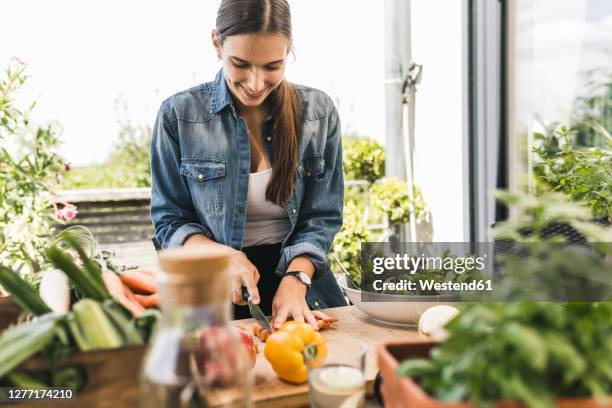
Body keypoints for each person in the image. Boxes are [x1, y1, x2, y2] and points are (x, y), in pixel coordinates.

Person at [150, 0, 347, 330]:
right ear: (217, 44)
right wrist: (227, 256)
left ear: (289, 52)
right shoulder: (178, 115)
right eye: (240, 64)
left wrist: (297, 277)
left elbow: (322, 216)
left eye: (272, 66)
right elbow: (170, 221)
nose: (256, 83)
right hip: (210, 294)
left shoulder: (318, 112)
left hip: (303, 289)